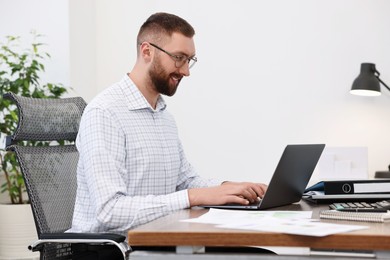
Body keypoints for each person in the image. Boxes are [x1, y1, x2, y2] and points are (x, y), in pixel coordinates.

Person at [70, 12, 267, 239]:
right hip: (108, 250)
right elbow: (110, 211)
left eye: (189, 60)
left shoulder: (163, 115)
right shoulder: (104, 113)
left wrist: (229, 188)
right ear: (147, 51)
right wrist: (193, 197)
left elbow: (185, 180)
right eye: (179, 57)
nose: (186, 71)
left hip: (155, 242)